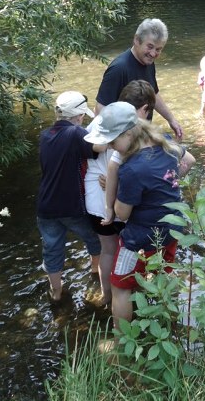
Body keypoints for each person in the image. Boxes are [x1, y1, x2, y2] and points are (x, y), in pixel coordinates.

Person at [84, 102, 195, 327]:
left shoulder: (133, 168)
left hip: (140, 239)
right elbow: (189, 160)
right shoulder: (164, 141)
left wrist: (112, 192)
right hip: (172, 228)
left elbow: (122, 214)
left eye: (113, 142)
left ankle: (122, 340)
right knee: (164, 274)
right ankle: (168, 322)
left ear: (128, 134)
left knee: (120, 286)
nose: (113, 148)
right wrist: (168, 179)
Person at [84, 80, 156, 304]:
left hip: (95, 199)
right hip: (121, 202)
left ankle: (108, 297)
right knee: (130, 251)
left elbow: (87, 153)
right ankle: (129, 297)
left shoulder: (98, 122)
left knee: (108, 251)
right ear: (143, 109)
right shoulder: (136, 131)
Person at [37, 91, 102, 302]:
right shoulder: (76, 133)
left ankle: (56, 293)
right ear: (79, 115)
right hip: (71, 205)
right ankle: (95, 272)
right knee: (94, 238)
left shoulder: (45, 135)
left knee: (52, 249)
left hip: (45, 207)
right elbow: (97, 149)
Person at [95, 18, 182, 139]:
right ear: (137, 40)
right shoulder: (119, 69)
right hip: (122, 141)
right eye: (150, 47)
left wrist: (171, 119)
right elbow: (100, 109)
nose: (153, 54)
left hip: (139, 136)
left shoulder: (148, 62)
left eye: (158, 49)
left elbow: (153, 93)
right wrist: (113, 144)